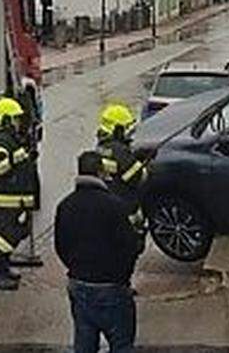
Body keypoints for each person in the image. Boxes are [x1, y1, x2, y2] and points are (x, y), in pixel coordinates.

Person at [55, 150, 145, 353]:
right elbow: (129, 247)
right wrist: (122, 278)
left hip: (79, 285)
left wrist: (77, 269)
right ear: (101, 172)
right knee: (121, 344)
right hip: (112, 287)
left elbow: (61, 247)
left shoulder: (65, 206)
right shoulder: (114, 206)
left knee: (84, 343)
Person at [0, 97, 37, 291]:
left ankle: (4, 269)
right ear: (6, 119)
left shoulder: (10, 138)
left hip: (13, 197)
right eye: (14, 119)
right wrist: (17, 165)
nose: (17, 123)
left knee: (13, 232)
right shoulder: (1, 140)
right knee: (8, 235)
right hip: (5, 198)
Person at [96, 103, 148, 233]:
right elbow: (137, 178)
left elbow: (116, 168)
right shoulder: (120, 151)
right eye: (126, 129)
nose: (129, 134)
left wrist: (132, 157)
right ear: (117, 129)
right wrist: (142, 162)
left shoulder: (101, 147)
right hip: (126, 211)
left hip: (108, 205)